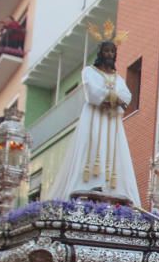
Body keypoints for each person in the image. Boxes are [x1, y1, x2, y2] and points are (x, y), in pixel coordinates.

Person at [44, 40, 141, 205]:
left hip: (112, 122)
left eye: (112, 51)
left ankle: (110, 187)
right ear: (100, 53)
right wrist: (113, 97)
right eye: (107, 51)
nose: (110, 54)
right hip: (93, 118)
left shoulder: (118, 78)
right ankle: (89, 184)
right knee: (92, 146)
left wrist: (113, 98)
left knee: (114, 152)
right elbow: (92, 92)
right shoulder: (89, 71)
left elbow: (127, 96)